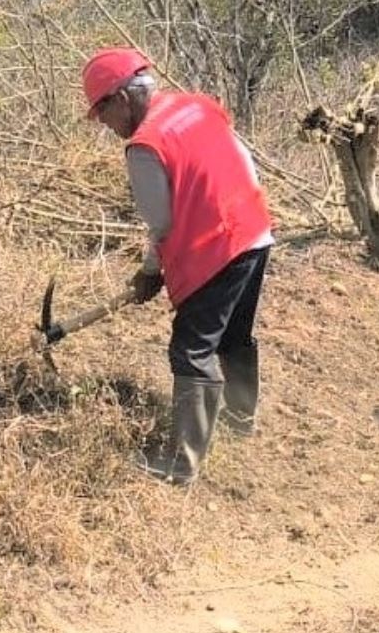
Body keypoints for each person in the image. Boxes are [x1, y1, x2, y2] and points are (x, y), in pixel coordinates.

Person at [82, 47, 275, 486]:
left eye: (102, 113)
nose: (106, 126)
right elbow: (245, 164)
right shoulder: (196, 105)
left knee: (190, 350)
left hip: (217, 250)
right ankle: (240, 419)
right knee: (234, 334)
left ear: (121, 99)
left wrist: (150, 272)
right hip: (255, 232)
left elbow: (162, 223)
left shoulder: (144, 146)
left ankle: (181, 463)